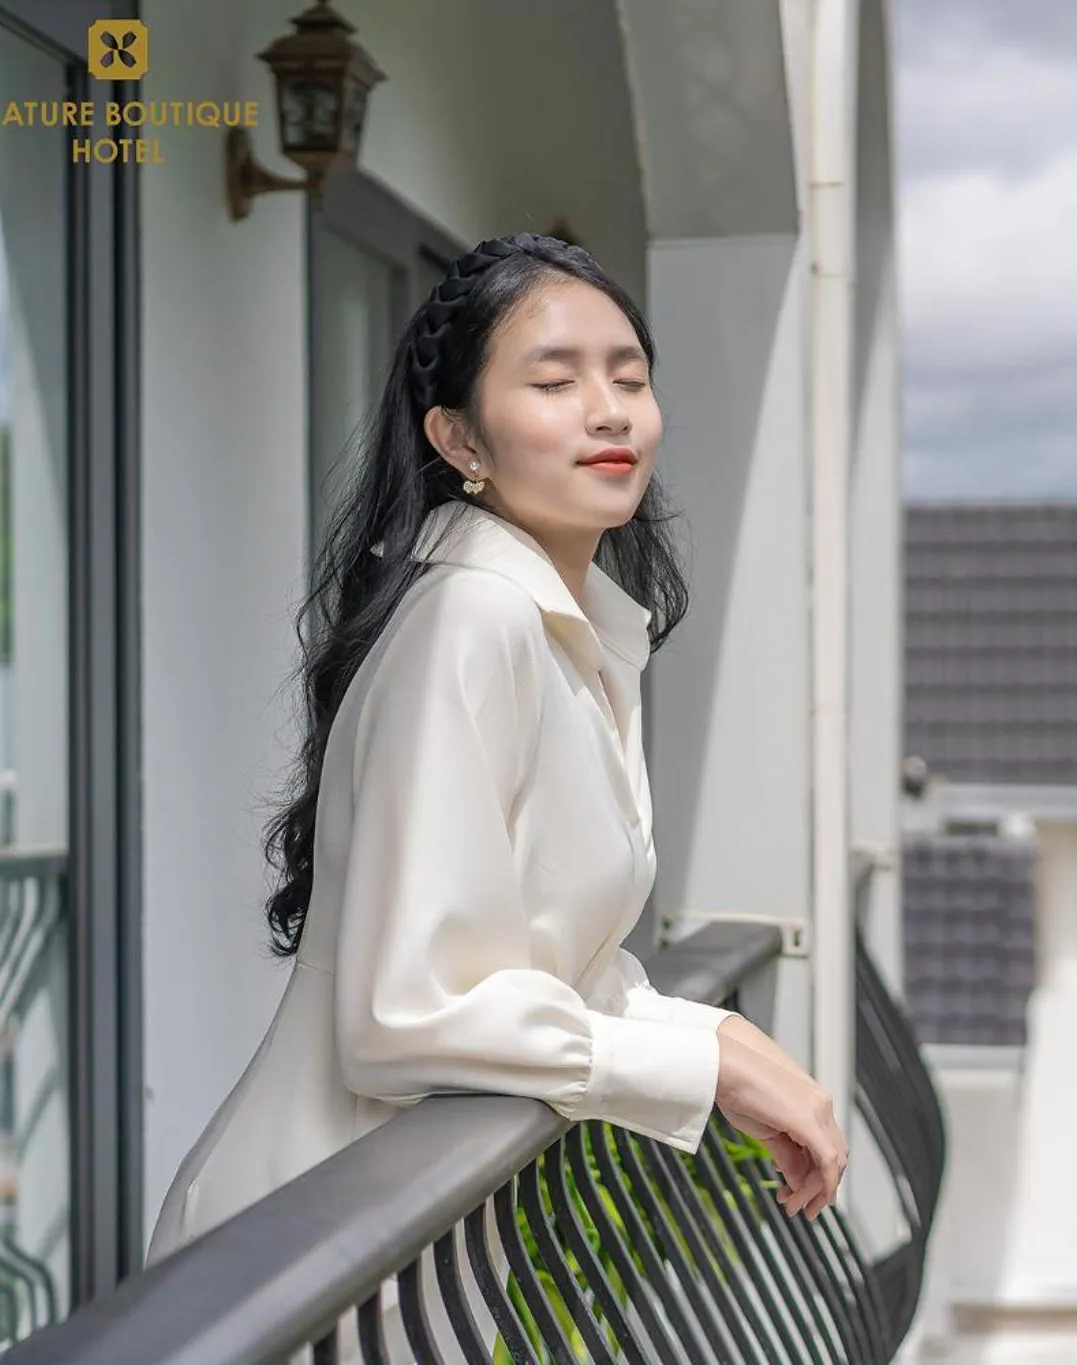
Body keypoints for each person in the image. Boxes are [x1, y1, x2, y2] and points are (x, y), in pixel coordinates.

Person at [147, 233, 846, 1263]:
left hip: (395, 1239)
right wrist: (704, 1073)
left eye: (629, 378)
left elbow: (544, 964)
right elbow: (405, 1016)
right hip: (306, 1258)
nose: (608, 410)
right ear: (459, 440)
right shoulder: (474, 619)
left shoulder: (575, 633)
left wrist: (715, 1036)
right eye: (554, 380)